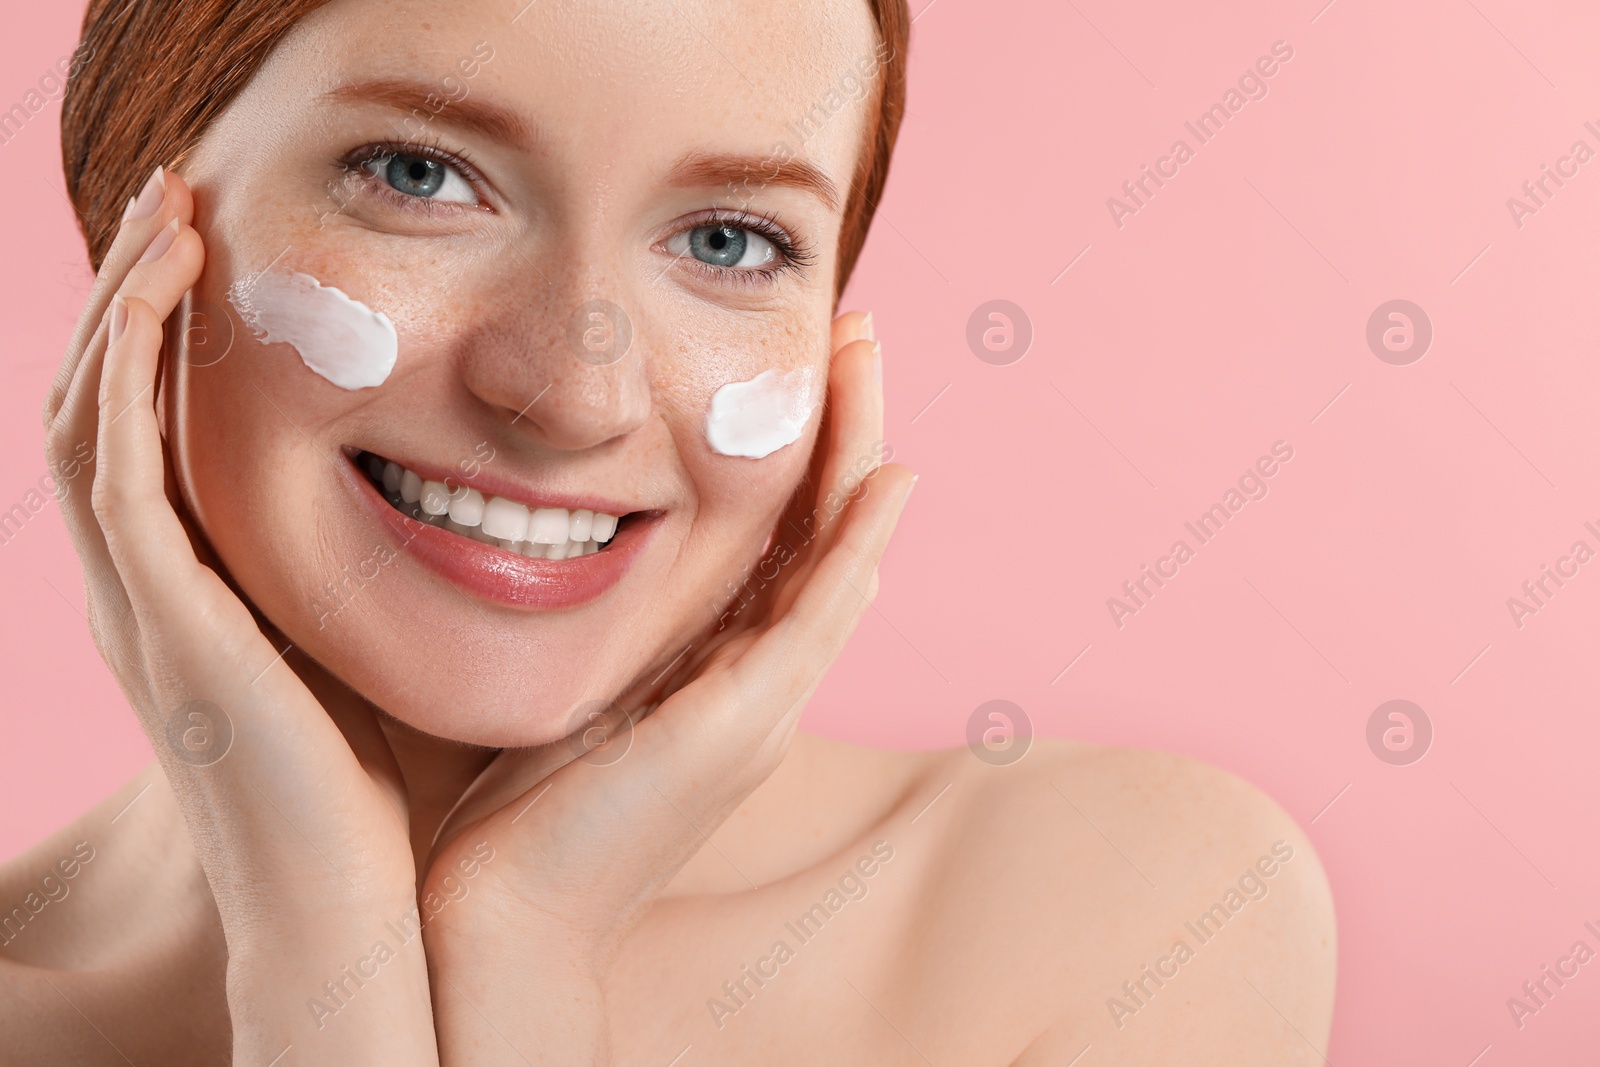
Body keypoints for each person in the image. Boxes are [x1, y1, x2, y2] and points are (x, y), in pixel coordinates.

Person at [4, 0, 1337, 1062]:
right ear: (135, 215)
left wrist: (525, 952)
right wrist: (319, 956)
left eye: (729, 242)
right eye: (418, 175)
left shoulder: (1117, 921)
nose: (574, 392)